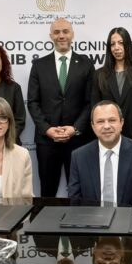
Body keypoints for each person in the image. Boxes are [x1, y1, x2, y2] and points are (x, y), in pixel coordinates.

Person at [27, 18, 94, 197]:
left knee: (80, 192)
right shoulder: (38, 65)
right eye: (57, 32)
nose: (61, 36)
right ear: (51, 36)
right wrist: (47, 129)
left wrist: (75, 128)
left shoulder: (86, 64)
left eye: (65, 31)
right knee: (47, 192)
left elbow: (91, 102)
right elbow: (33, 102)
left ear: (72, 34)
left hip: (78, 141)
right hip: (47, 141)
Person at [68, 101, 132, 207]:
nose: (106, 126)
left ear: (121, 123)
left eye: (112, 120)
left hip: (128, 216)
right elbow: (74, 201)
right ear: (93, 126)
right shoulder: (79, 156)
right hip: (91, 217)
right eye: (100, 121)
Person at [92, 27, 132, 140]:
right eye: (112, 44)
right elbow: (95, 110)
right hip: (107, 137)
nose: (116, 48)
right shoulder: (99, 74)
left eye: (121, 43)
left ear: (128, 45)